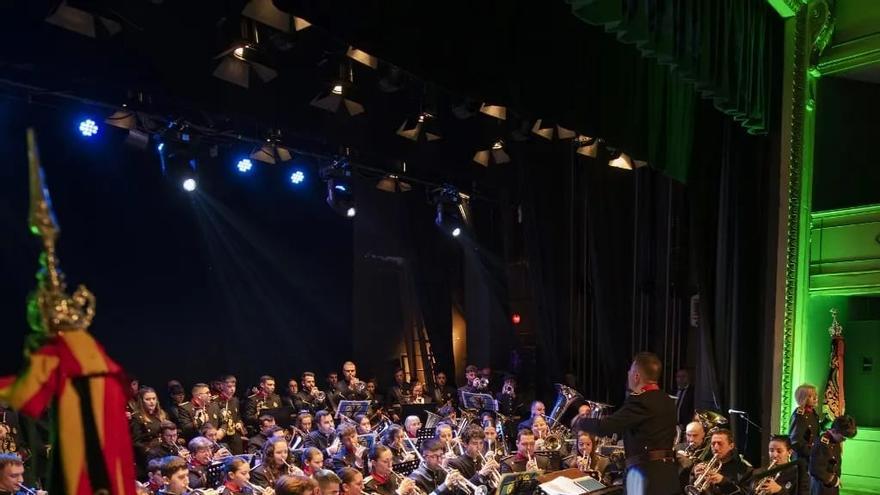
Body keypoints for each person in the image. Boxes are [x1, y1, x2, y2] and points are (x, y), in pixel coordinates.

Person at [574, 352, 679, 495]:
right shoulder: (668, 400)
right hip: (668, 475)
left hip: (645, 477)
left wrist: (581, 422)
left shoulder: (641, 401)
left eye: (630, 370)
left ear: (636, 376)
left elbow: (607, 427)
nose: (628, 373)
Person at [690, 429, 752, 495]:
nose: (715, 447)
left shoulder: (746, 471)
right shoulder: (702, 465)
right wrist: (694, 477)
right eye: (713, 444)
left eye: (720, 444)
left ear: (731, 446)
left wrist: (723, 482)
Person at [809, 414, 857, 495]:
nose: (843, 440)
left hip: (832, 487)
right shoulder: (822, 443)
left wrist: (836, 479)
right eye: (842, 438)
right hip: (821, 488)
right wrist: (834, 480)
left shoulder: (835, 441)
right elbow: (815, 469)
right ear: (834, 431)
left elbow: (836, 463)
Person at [788, 384, 821, 495]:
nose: (816, 398)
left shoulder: (813, 413)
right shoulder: (799, 415)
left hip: (811, 459)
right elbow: (795, 441)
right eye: (812, 396)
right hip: (802, 459)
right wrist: (812, 453)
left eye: (816, 395)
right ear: (804, 398)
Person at [131, 387, 170, 476]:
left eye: (153, 398)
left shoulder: (162, 414)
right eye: (148, 399)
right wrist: (149, 450)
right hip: (149, 457)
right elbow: (135, 442)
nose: (152, 402)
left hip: (165, 452)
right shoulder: (137, 418)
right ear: (141, 401)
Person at [215, 375, 245, 455]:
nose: (232, 389)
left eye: (234, 386)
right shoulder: (215, 401)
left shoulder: (235, 400)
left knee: (239, 457)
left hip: (234, 434)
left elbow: (238, 416)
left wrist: (239, 423)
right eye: (229, 386)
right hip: (221, 436)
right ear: (221, 386)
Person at [674, 368, 695, 443]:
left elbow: (693, 411)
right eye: (678, 377)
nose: (680, 379)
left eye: (683, 376)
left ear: (688, 378)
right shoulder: (673, 391)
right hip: (673, 427)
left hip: (685, 428)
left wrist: (685, 424)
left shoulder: (693, 392)